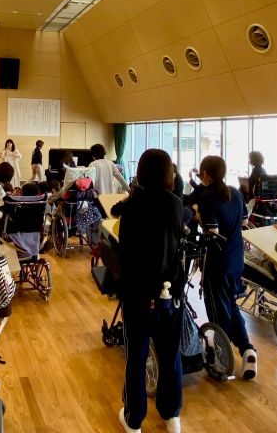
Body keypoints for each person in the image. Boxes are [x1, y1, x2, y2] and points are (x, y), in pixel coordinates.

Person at [116, 149, 184, 433]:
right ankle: (172, 416)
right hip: (171, 292)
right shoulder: (175, 203)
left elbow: (125, 252)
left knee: (137, 355)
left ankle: (134, 420)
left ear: (141, 172)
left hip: (138, 292)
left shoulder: (133, 206)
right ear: (169, 173)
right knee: (170, 355)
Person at [195, 155, 257, 380]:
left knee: (217, 311)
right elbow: (243, 222)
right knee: (230, 305)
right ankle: (247, 349)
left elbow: (212, 233)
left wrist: (198, 217)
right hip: (236, 259)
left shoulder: (207, 196)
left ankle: (222, 359)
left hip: (217, 263)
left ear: (205, 174)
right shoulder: (235, 193)